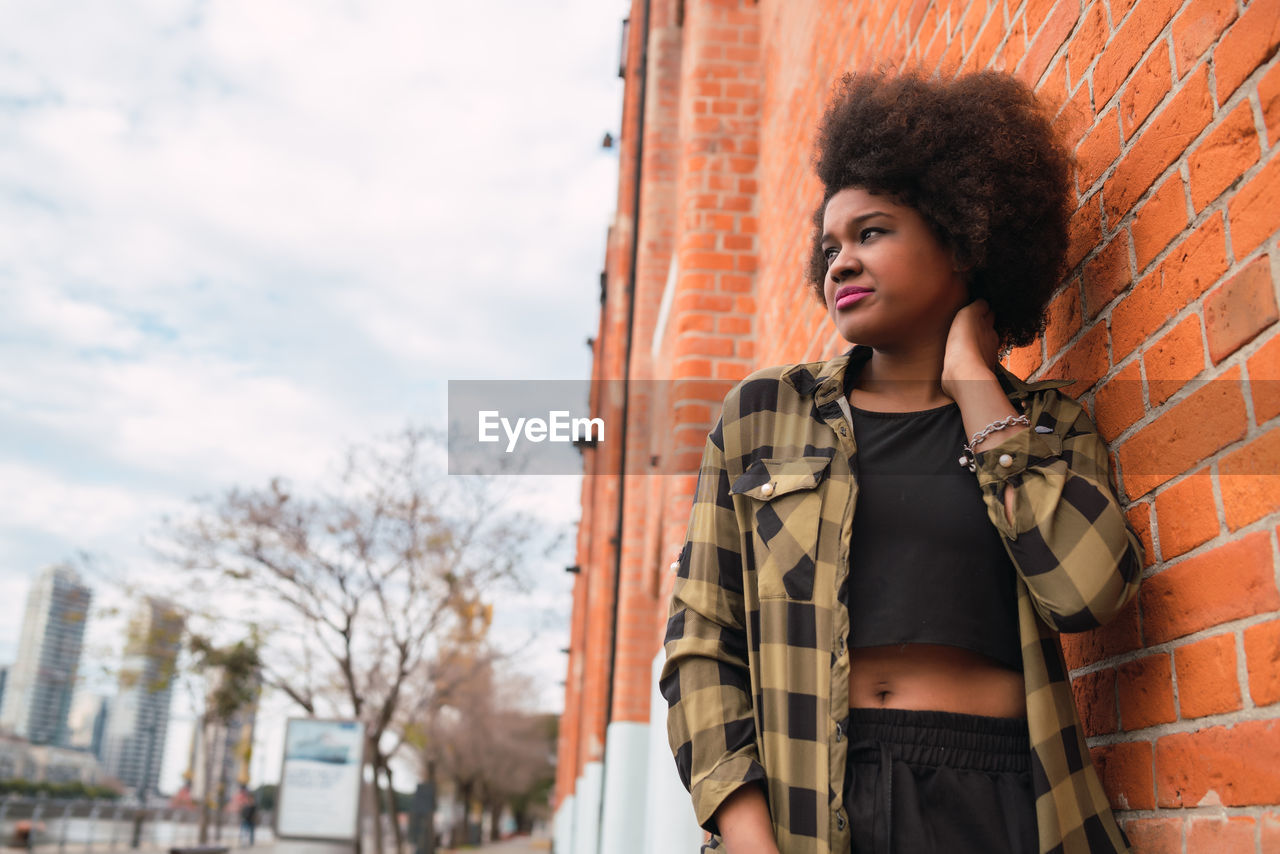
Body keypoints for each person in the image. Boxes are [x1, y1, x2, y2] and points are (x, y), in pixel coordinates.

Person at [660, 70, 1144, 854]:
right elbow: (702, 641)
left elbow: (1088, 594)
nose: (839, 264)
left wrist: (976, 389)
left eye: (871, 233)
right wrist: (749, 838)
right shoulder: (762, 417)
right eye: (829, 247)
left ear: (961, 237)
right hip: (807, 805)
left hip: (997, 803)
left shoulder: (1046, 426)